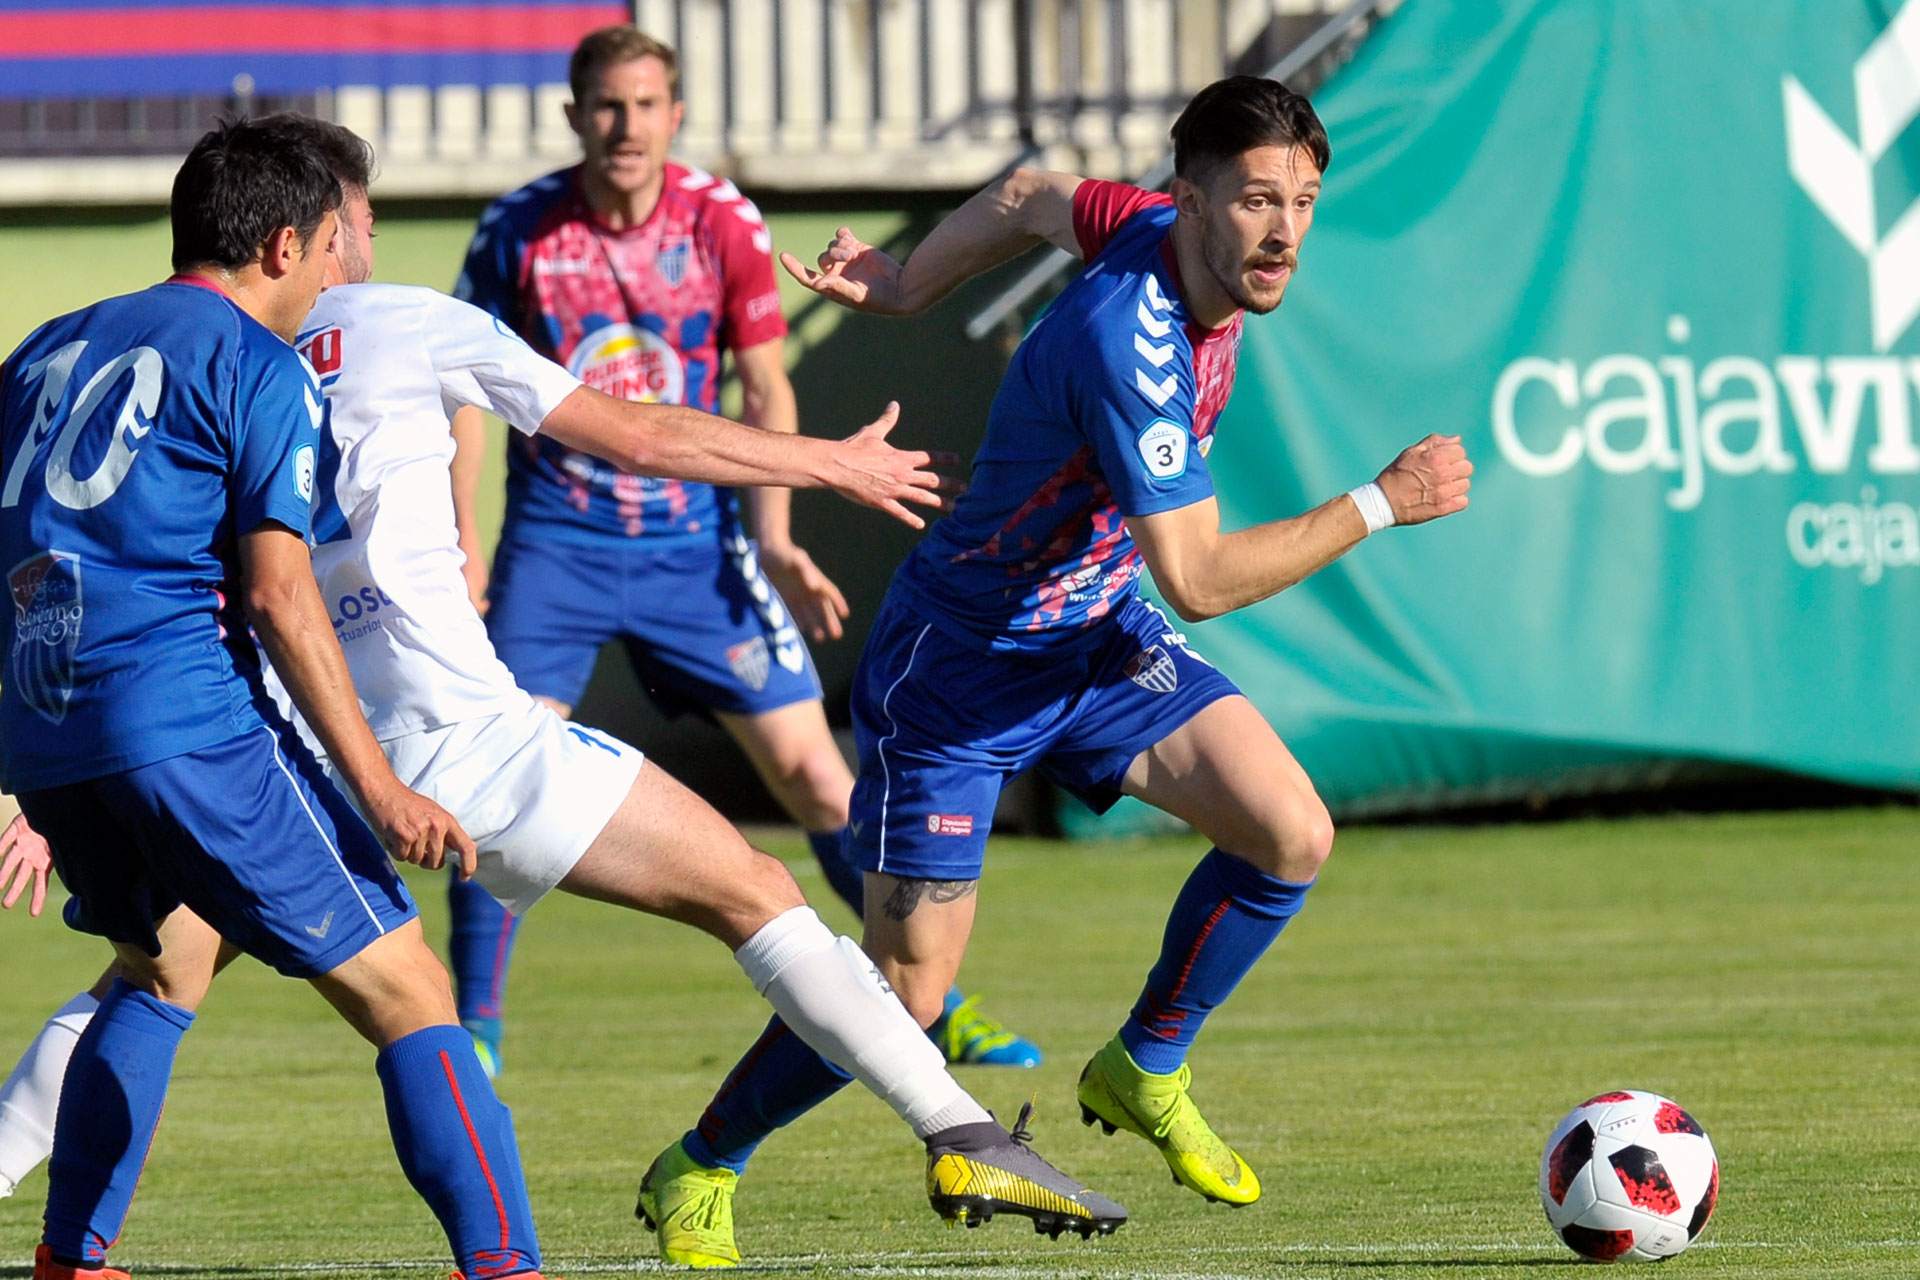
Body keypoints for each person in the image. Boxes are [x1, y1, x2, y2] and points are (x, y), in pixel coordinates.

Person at [0, 115, 1124, 1268]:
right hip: (442, 736)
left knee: (155, 971)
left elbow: (124, 561)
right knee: (741, 892)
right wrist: (823, 460)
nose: (363, 246)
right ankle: (954, 1129)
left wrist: (67, 759)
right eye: (360, 223)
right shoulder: (354, 334)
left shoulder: (71, 350)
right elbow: (629, 433)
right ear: (306, 235)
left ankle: (59, 1236)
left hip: (267, 737)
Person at [629, 75, 1476, 1265]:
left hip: (1094, 636)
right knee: (908, 993)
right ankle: (701, 1160)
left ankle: (1144, 1063)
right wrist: (1380, 502)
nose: (1284, 231)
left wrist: (908, 283)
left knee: (1289, 830)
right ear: (1193, 201)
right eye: (1256, 201)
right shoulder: (1129, 342)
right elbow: (1198, 577)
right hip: (962, 671)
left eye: (1302, 202)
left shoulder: (1149, 222)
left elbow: (1028, 195)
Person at [0, 118, 552, 1280]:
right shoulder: (258, 362)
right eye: (331, 248)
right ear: (284, 244)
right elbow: (279, 593)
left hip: (48, 729)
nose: (332, 276)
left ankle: (70, 1259)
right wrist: (381, 787)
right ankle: (507, 1266)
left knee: (158, 968)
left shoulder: (47, 348)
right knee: (411, 987)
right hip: (183, 720)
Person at [449, 24, 1041, 1075]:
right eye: (606, 105)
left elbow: (765, 388)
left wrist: (773, 538)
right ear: (574, 115)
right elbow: (463, 396)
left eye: (645, 105)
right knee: (496, 781)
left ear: (674, 115)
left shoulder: (720, 219)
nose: (625, 125)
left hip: (700, 551)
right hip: (556, 549)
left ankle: (928, 1001)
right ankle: (473, 1031)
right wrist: (465, 545)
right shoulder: (517, 231)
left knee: (817, 773)